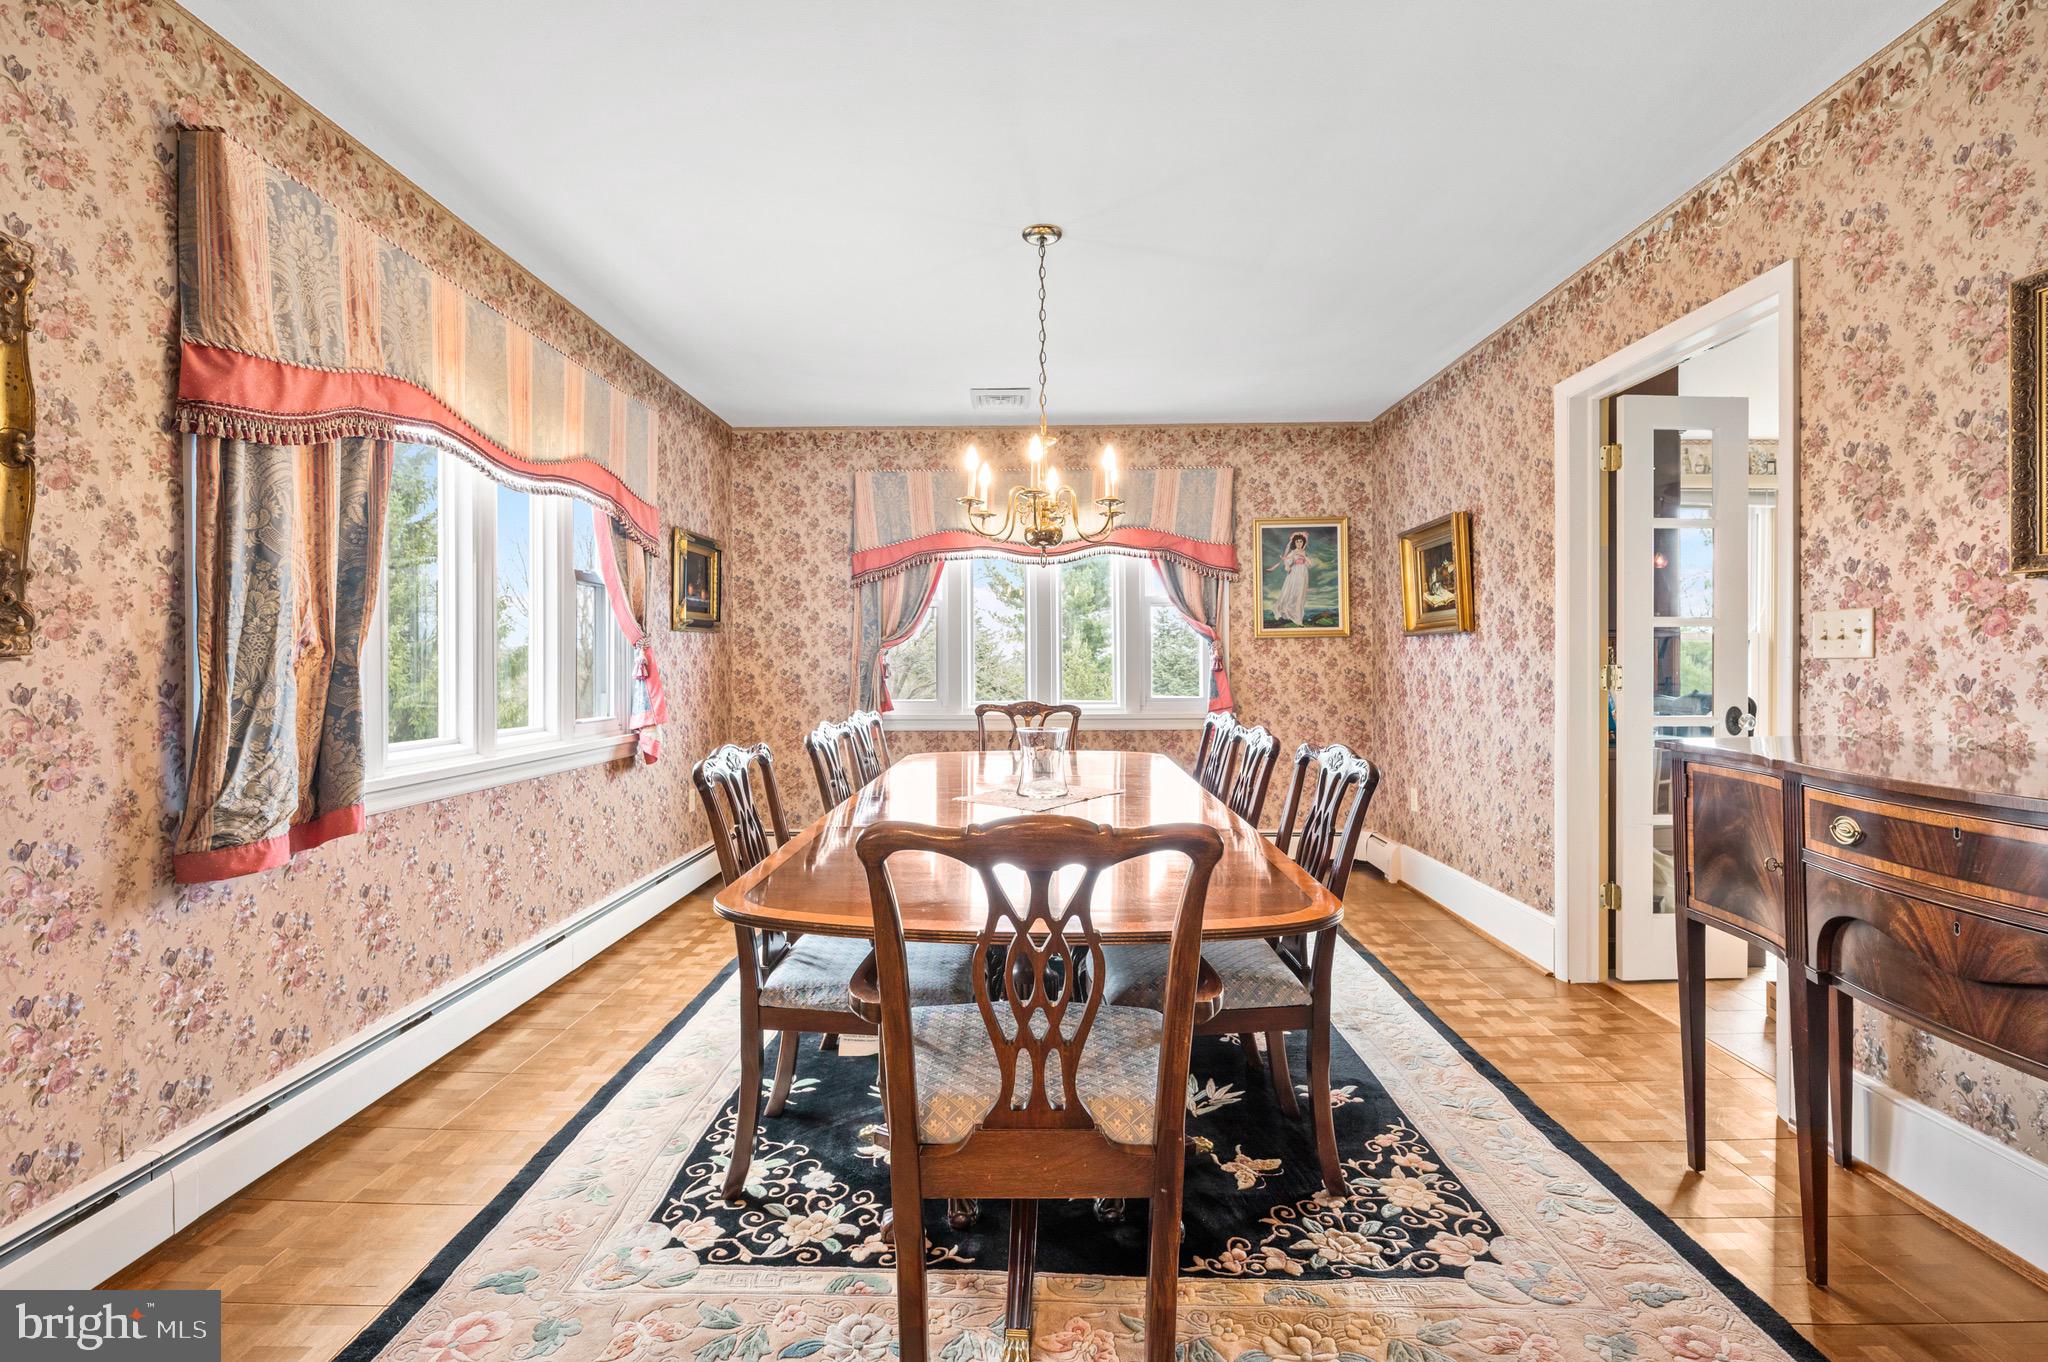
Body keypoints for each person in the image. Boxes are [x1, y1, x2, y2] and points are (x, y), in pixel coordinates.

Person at [1270, 531, 1311, 625]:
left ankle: (1298, 616)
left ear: (1303, 543)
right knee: (1292, 592)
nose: (1299, 543)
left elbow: (1309, 564)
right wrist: (1287, 566)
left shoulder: (1303, 552)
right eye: (1297, 542)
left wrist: (1304, 557)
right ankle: (1287, 611)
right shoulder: (1293, 552)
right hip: (1295, 572)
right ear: (1294, 543)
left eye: (1301, 541)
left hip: (1303, 573)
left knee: (1300, 593)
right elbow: (1287, 561)